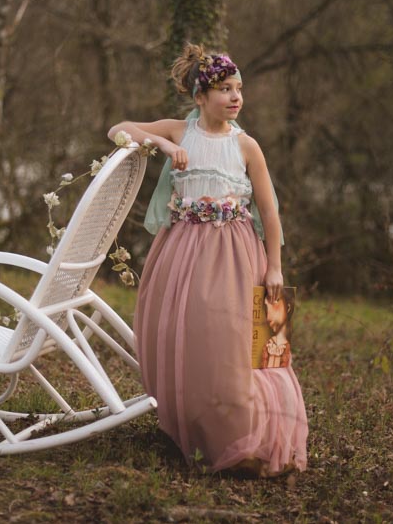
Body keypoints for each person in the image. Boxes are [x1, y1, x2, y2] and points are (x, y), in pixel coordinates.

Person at [108, 43, 308, 477]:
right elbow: (118, 129)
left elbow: (270, 212)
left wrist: (275, 267)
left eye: (239, 88)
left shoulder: (247, 146)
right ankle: (200, 431)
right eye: (225, 89)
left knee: (249, 341)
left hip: (238, 254)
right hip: (183, 252)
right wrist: (162, 143)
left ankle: (252, 435)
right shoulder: (181, 131)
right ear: (200, 96)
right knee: (195, 337)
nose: (236, 97)